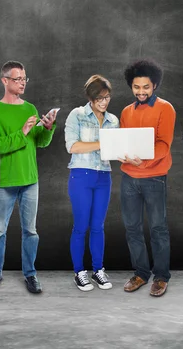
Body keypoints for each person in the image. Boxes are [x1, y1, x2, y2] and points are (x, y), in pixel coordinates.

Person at [0, 61, 57, 294]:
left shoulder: (30, 108)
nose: (23, 82)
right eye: (18, 79)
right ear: (5, 81)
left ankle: (30, 274)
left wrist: (48, 128)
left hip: (30, 181)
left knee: (31, 231)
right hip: (4, 183)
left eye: (25, 78)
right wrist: (21, 132)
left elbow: (40, 143)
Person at [117, 59, 175, 297]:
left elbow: (164, 144)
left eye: (146, 87)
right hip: (128, 178)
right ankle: (141, 273)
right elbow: (121, 144)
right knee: (132, 228)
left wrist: (145, 162)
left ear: (155, 86)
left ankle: (161, 277)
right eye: (136, 87)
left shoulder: (165, 108)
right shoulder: (126, 112)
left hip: (154, 178)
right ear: (131, 86)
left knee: (158, 228)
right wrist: (121, 157)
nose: (141, 92)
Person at [64, 75, 119, 292]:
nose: (104, 102)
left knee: (98, 226)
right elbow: (73, 146)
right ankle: (79, 272)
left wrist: (127, 154)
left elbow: (114, 150)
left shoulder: (113, 120)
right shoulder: (77, 115)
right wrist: (103, 142)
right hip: (81, 175)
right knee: (81, 226)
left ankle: (98, 270)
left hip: (103, 176)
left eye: (107, 98)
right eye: (99, 99)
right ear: (90, 97)